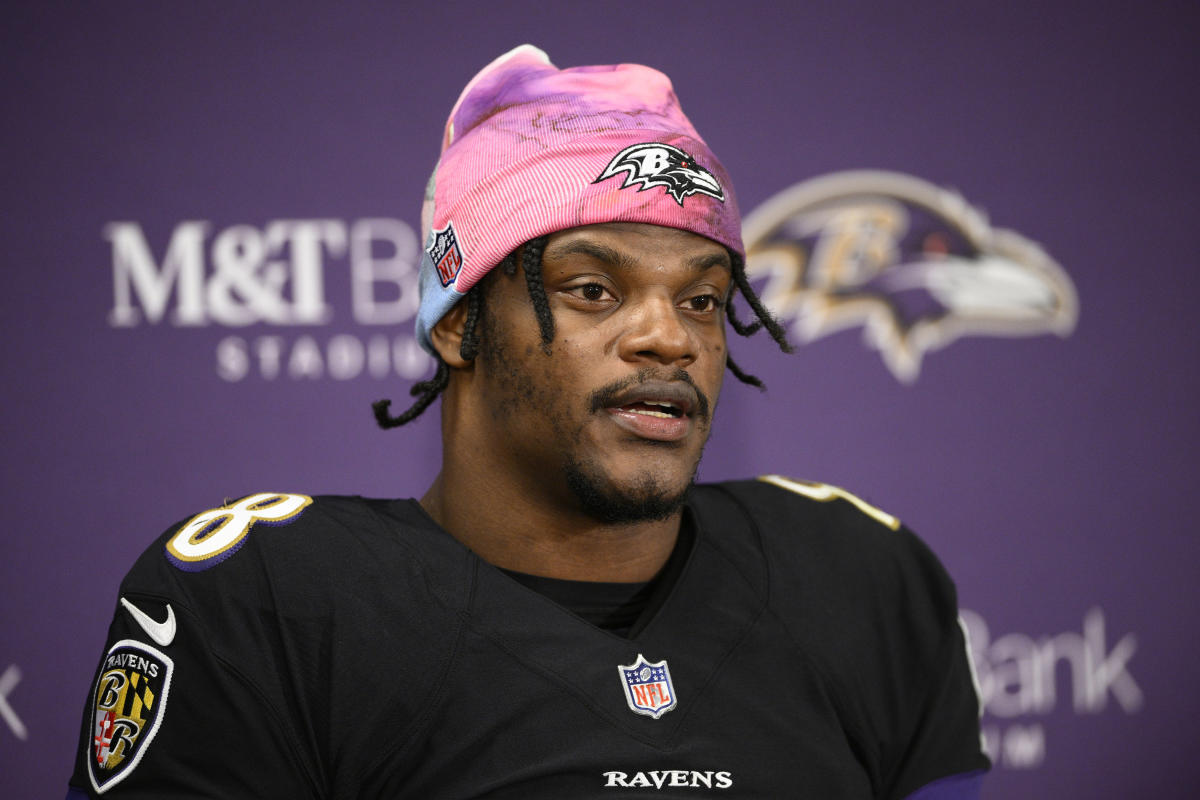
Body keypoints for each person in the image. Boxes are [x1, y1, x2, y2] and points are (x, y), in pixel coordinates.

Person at [69, 45, 990, 798]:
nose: (669, 338)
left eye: (705, 301)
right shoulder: (264, 604)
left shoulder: (863, 580)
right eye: (594, 290)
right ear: (461, 324)